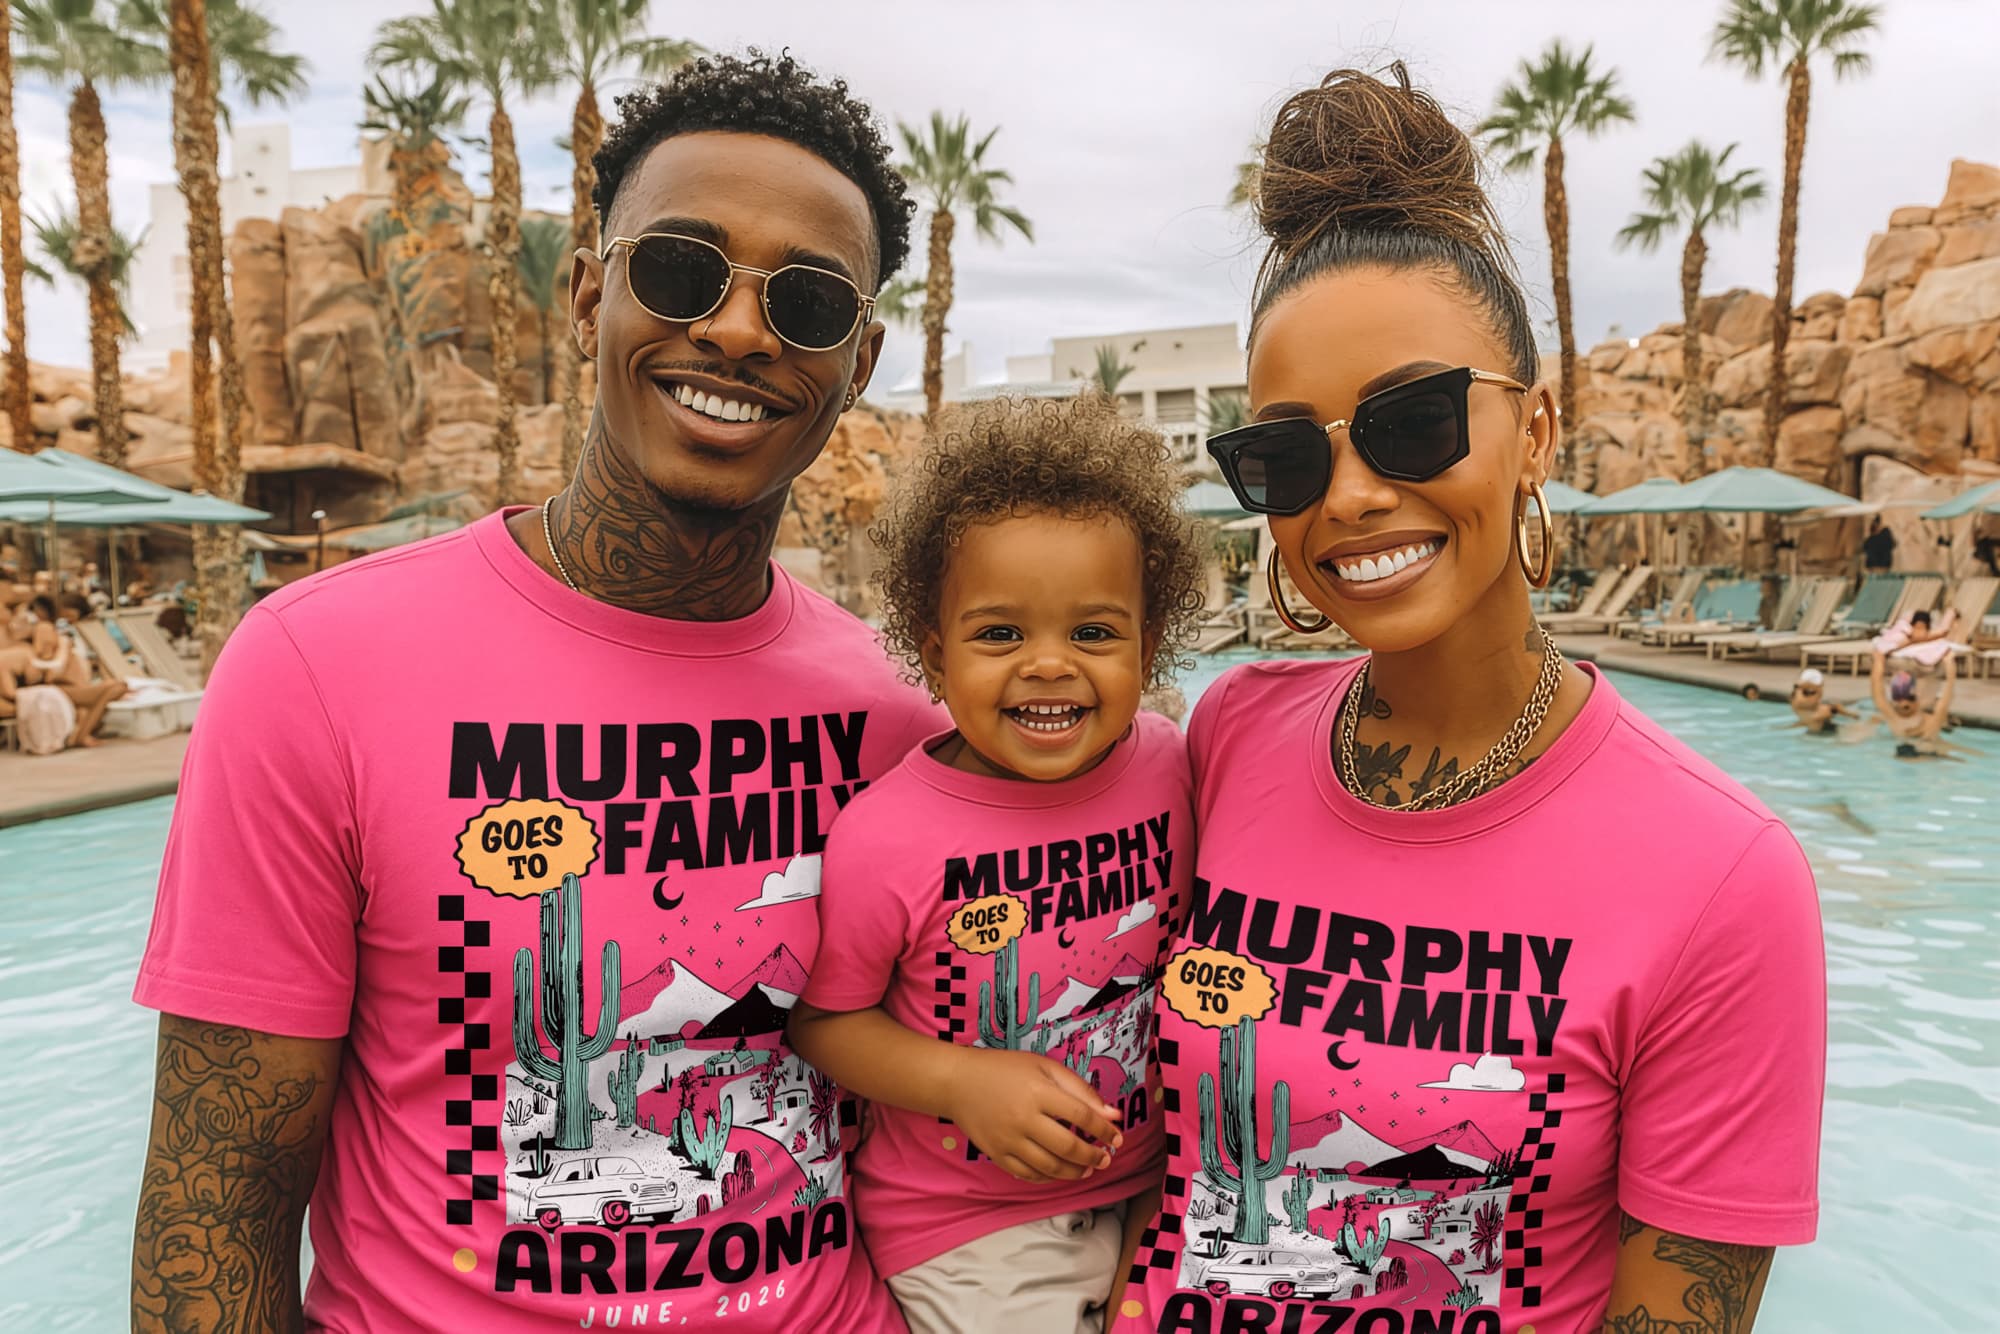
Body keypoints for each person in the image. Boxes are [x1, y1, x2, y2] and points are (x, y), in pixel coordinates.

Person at [131, 53, 938, 1332]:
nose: (736, 329)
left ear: (857, 360)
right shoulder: (315, 668)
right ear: (584, 295)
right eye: (678, 268)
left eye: (807, 301)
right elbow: (214, 1221)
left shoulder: (910, 717)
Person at [1118, 65, 1824, 1334]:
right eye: (1284, 453)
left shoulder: (1725, 876)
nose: (1346, 497)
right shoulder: (1228, 735)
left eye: (1412, 422)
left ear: (1536, 433)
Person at [788, 397, 1205, 1334]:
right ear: (934, 658)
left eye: (1094, 633)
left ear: (1150, 646)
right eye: (1000, 635)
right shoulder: (889, 836)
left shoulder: (1174, 767)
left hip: (1156, 1192)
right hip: (967, 1231)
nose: (1049, 665)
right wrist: (962, 1084)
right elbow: (825, 1023)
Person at [1869, 650, 1971, 759]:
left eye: (1907, 698)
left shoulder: (1893, 719)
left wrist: (1878, 661)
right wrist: (1950, 666)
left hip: (1911, 755)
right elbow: (1947, 697)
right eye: (1900, 698)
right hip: (1928, 755)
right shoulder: (1931, 722)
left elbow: (1877, 692)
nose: (1904, 702)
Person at [1784, 667, 1858, 736]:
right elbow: (1833, 709)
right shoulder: (1804, 700)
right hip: (1824, 732)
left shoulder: (1797, 700)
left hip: (1816, 732)